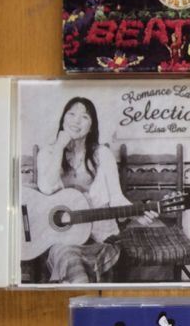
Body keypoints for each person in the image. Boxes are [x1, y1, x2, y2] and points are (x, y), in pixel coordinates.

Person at [33, 98, 156, 283]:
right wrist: (59, 147)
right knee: (71, 261)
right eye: (71, 114)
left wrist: (136, 213)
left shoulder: (103, 155)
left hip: (101, 238)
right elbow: (46, 187)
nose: (76, 121)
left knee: (82, 273)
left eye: (84, 117)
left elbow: (116, 198)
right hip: (62, 241)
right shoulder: (47, 153)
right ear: (63, 120)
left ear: (91, 127)